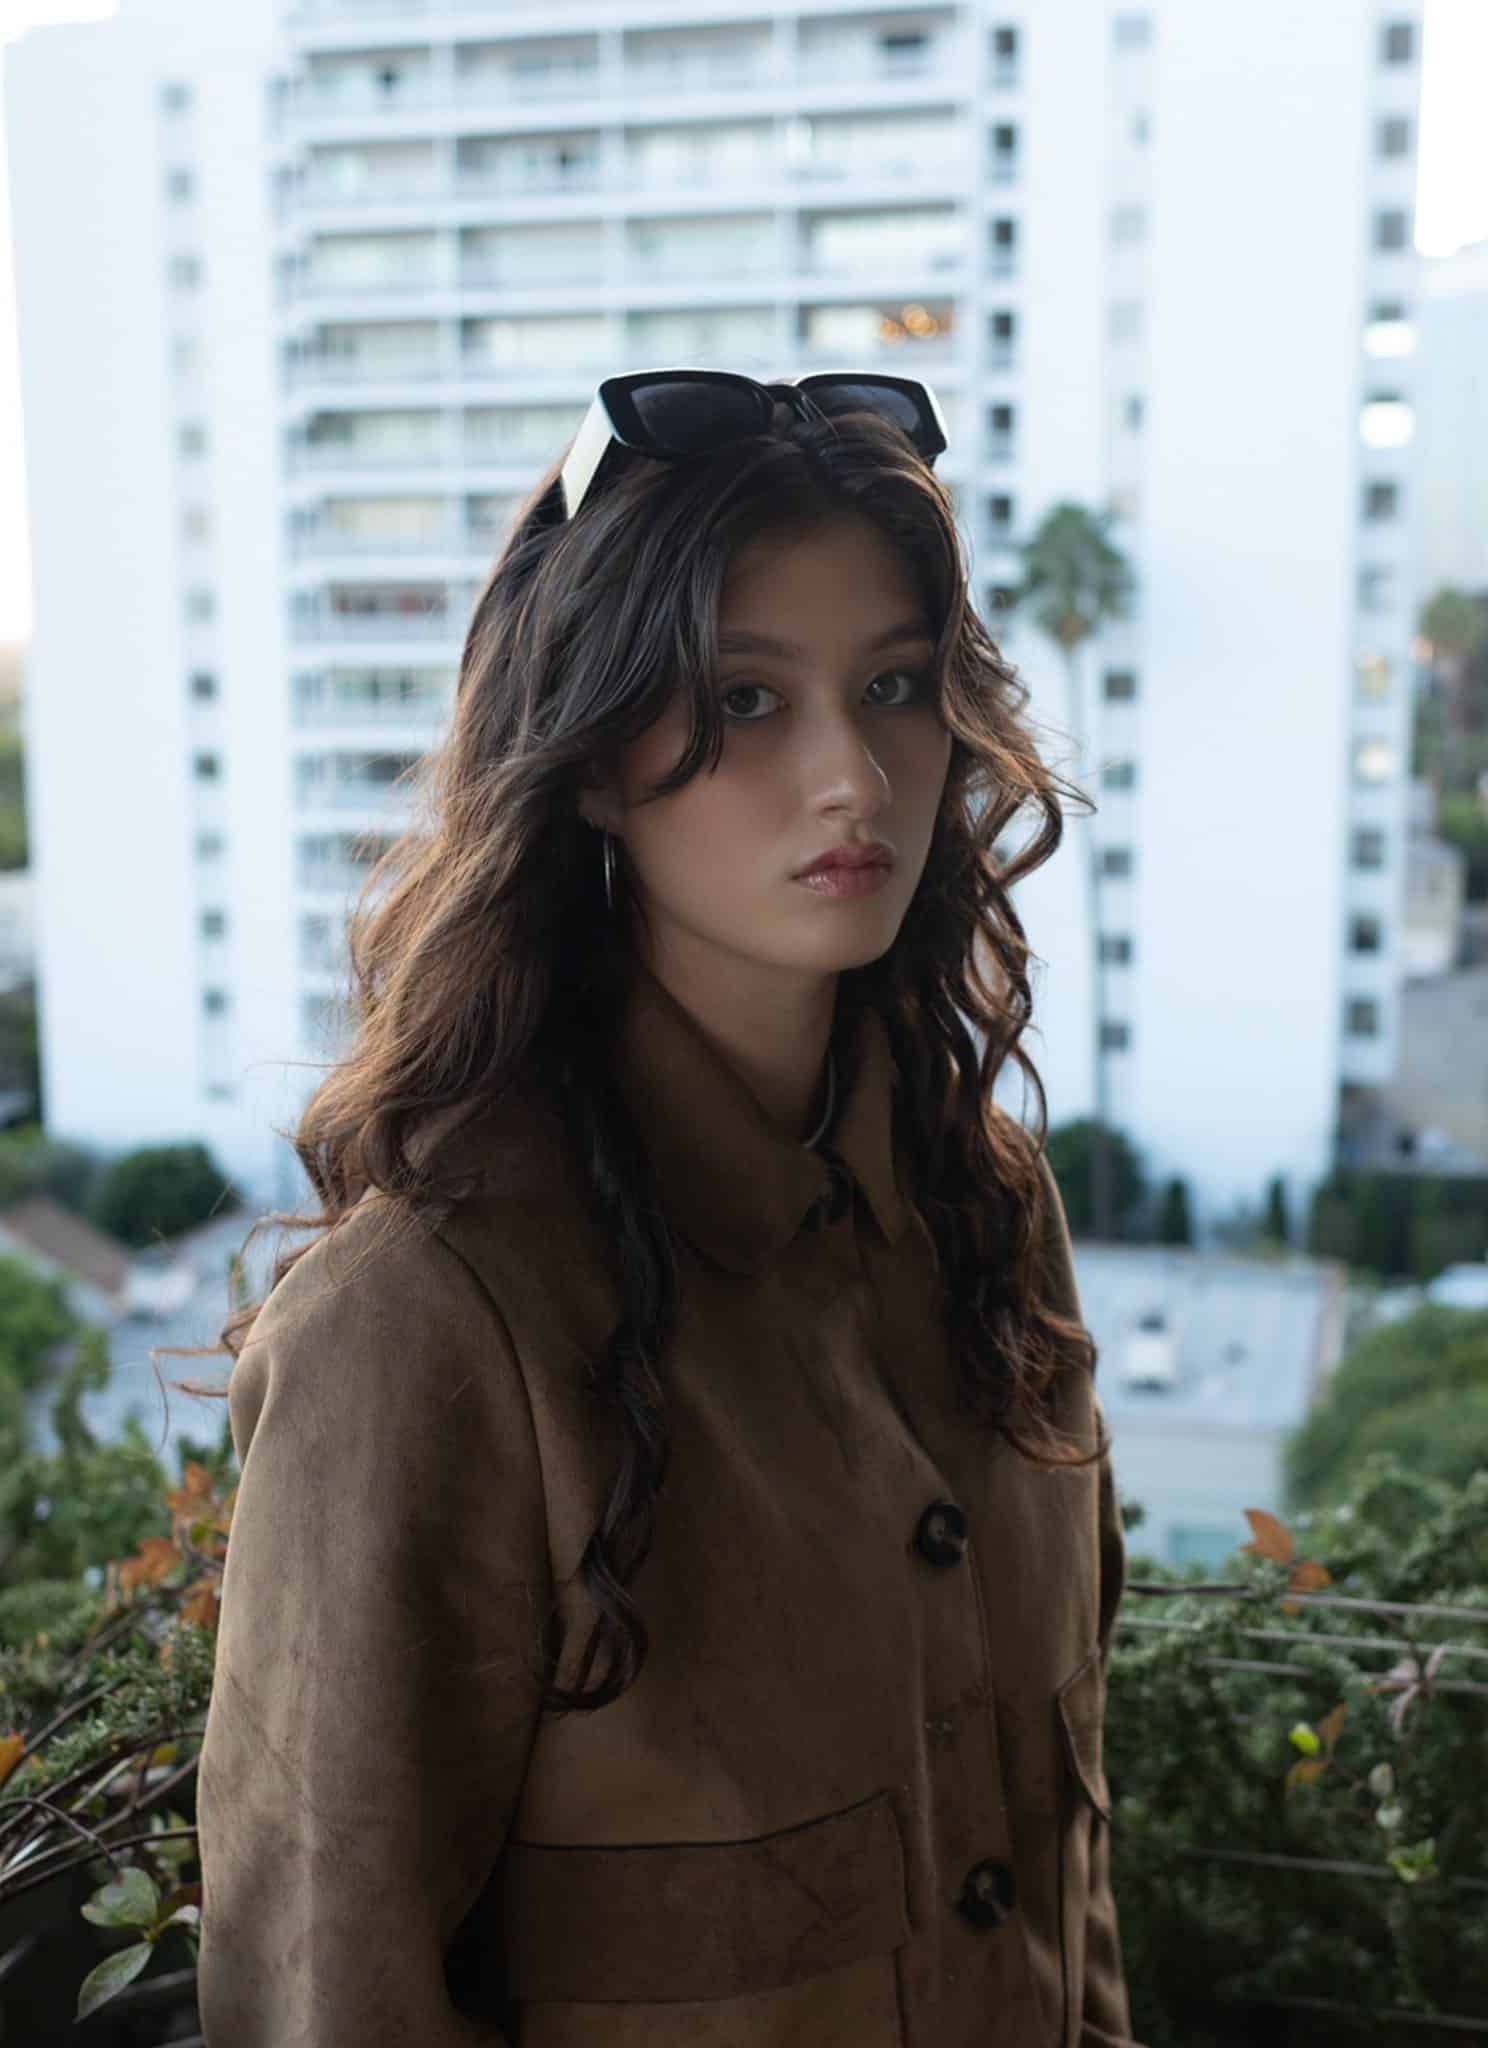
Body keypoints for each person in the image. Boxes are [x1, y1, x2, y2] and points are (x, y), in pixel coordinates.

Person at [185, 368, 1142, 2046]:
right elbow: (332, 1995)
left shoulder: (987, 1211)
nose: (853, 777)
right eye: (745, 700)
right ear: (587, 763)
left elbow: (1066, 1863)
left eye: (895, 685)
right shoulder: (428, 1329)